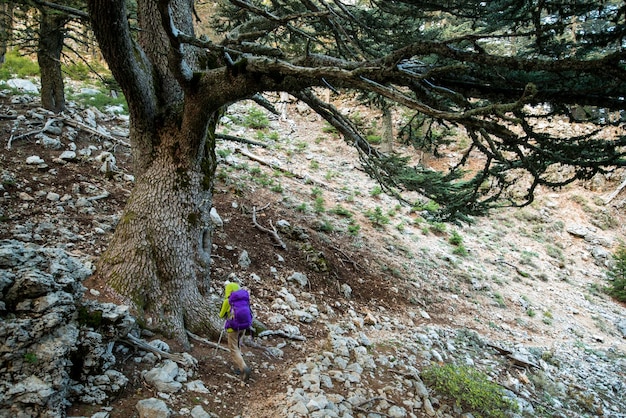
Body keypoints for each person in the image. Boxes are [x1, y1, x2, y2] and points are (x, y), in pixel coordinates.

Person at [219, 282, 252, 381]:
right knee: (238, 345)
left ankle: (244, 368)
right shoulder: (244, 299)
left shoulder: (227, 301)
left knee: (233, 349)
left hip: (232, 328)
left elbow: (221, 315)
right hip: (244, 326)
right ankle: (240, 367)